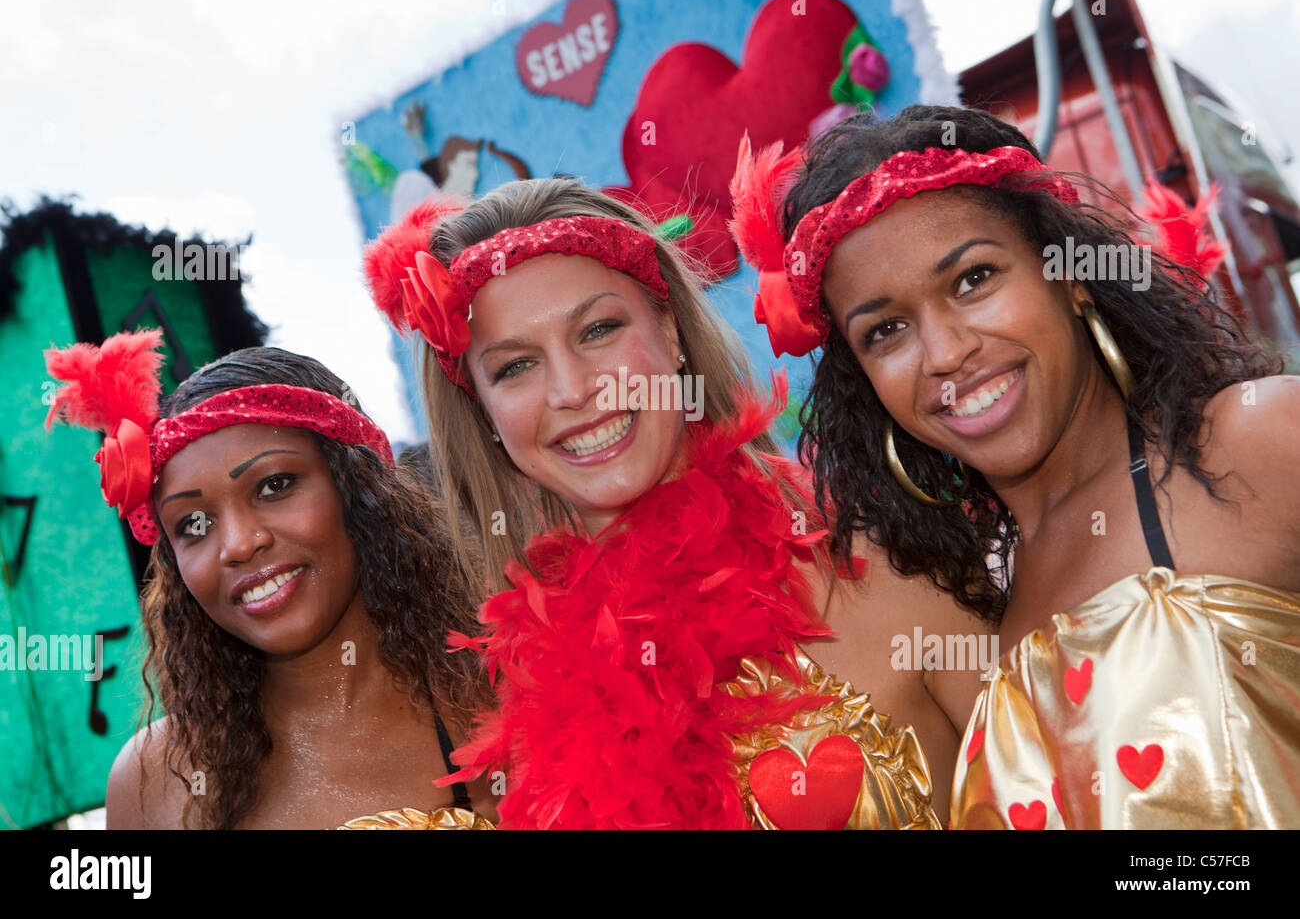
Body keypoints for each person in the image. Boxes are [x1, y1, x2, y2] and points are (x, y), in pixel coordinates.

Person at [736, 104, 1300, 828]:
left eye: (973, 280)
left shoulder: (1253, 443)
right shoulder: (968, 597)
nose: (944, 352)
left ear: (1068, 275)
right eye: (887, 330)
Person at [361, 180, 990, 829]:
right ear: (486, 412)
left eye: (599, 329)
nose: (574, 389)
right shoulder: (524, 715)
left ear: (670, 330)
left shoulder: (890, 561)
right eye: (515, 367)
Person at [45, 334, 493, 828]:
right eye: (194, 524)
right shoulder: (153, 783)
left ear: (361, 490)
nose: (238, 544)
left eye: (273, 486)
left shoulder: (512, 703)